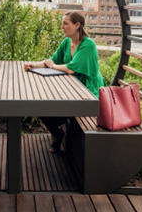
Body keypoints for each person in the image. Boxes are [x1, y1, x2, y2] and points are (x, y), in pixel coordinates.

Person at [24, 11, 105, 152]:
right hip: (70, 89)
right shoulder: (67, 42)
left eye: (65, 23)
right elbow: (53, 60)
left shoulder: (88, 45)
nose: (62, 27)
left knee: (48, 109)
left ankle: (59, 135)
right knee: (40, 104)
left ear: (77, 25)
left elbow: (71, 68)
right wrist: (34, 65)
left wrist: (53, 66)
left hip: (87, 94)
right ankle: (57, 134)